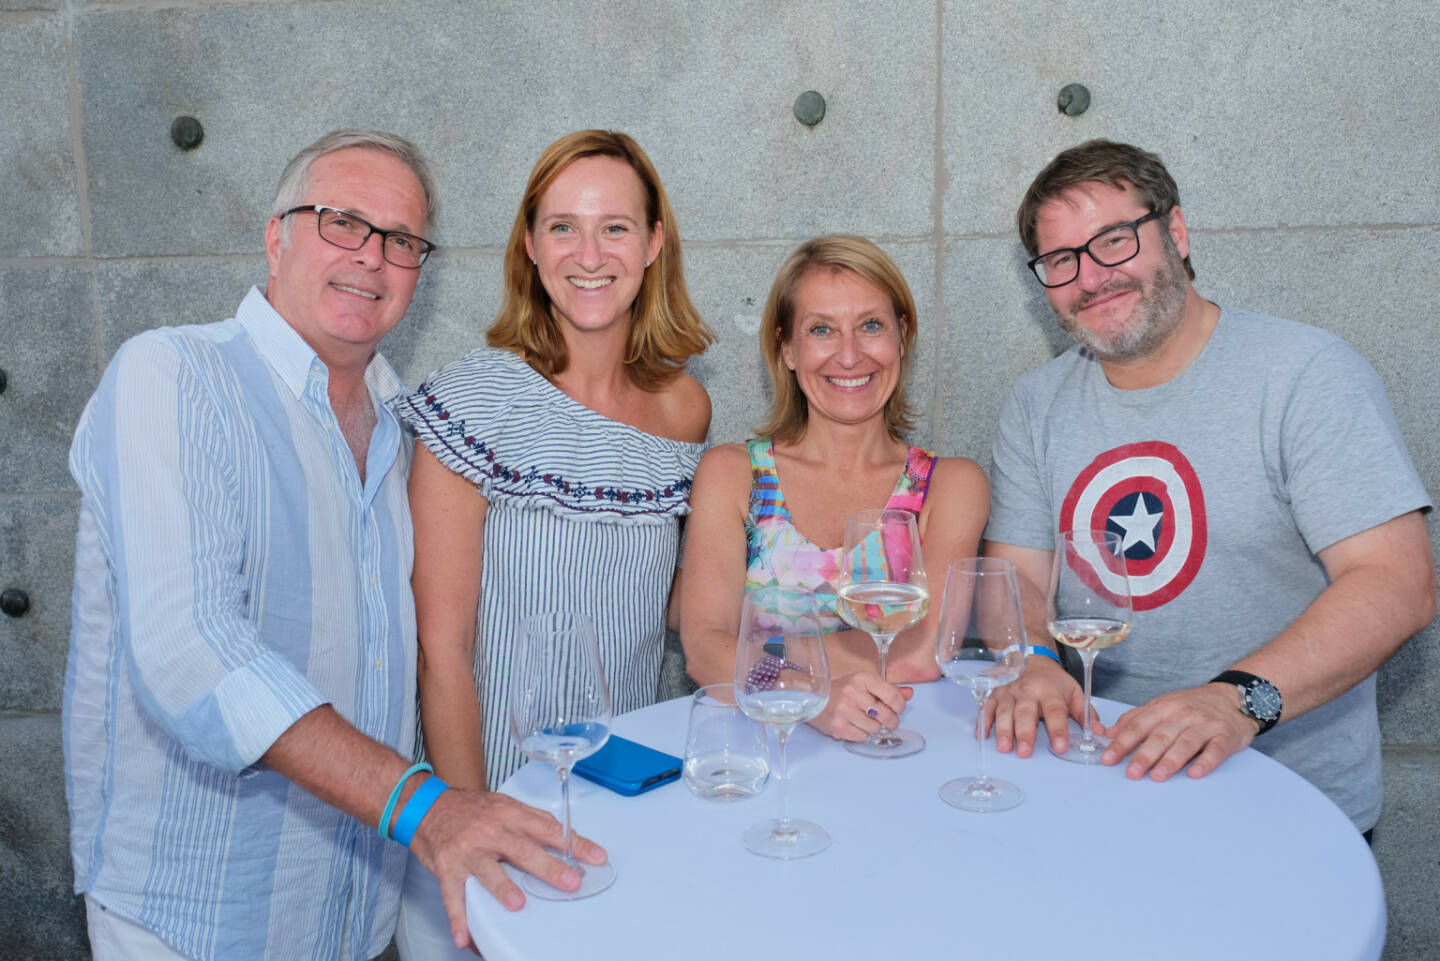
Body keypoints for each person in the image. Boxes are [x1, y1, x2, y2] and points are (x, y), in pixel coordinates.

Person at [63, 130, 604, 961]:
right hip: (196, 920)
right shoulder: (173, 375)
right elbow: (193, 654)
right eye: (341, 221)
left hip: (351, 919)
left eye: (400, 240)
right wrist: (431, 807)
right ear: (275, 235)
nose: (372, 257)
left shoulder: (403, 427)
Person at [984, 138, 1435, 833]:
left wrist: (1237, 702)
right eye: (1061, 259)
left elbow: (1398, 583)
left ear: (1177, 232)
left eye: (1113, 240)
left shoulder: (1304, 374)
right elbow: (1014, 578)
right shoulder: (1034, 403)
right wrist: (1037, 658)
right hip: (1098, 791)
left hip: (1286, 809)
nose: (1092, 276)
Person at [393, 129, 712, 959]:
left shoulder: (683, 410)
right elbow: (442, 652)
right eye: (563, 226)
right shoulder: (474, 399)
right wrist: (473, 822)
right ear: (530, 247)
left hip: (627, 807)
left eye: (614, 226)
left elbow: (670, 608)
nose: (588, 251)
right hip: (491, 808)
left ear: (653, 244)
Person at [681, 235, 989, 740]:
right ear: (786, 349)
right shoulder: (732, 474)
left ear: (901, 337)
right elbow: (702, 648)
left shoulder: (951, 486)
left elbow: (924, 651)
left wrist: (760, 652)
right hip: (763, 758)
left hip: (903, 756)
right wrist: (804, 694)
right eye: (821, 329)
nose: (849, 355)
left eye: (871, 325)